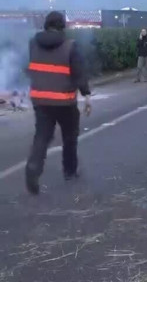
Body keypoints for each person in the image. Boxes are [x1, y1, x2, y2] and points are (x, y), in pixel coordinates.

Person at [25, 11, 92, 195]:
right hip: (64, 102)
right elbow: (79, 73)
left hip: (40, 99)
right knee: (69, 137)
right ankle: (69, 171)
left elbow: (31, 67)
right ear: (63, 26)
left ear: (46, 24)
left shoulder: (33, 44)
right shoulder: (70, 46)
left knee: (42, 136)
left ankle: (33, 166)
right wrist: (86, 95)